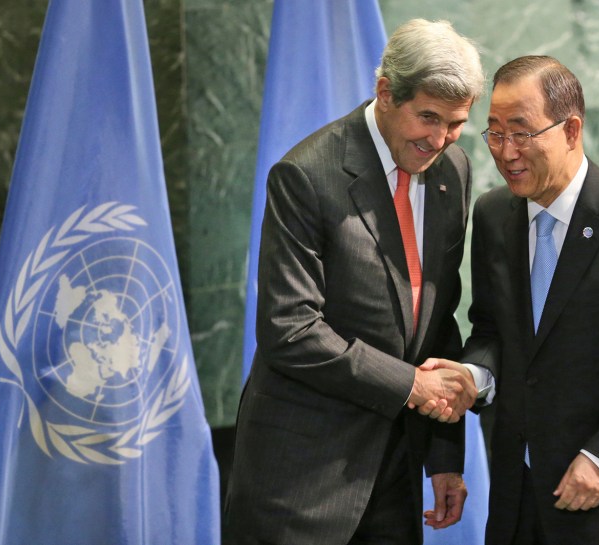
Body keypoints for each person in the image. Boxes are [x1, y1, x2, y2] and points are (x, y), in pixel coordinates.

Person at [225, 19, 487, 545]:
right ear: (386, 93)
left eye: (456, 122)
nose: (440, 139)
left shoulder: (451, 170)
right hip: (301, 481)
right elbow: (291, 328)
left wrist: (443, 456)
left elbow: (436, 322)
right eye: (428, 117)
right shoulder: (306, 175)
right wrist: (413, 385)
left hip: (395, 472)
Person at [422, 55, 599, 544]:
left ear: (571, 129)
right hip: (515, 493)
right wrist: (474, 376)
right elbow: (491, 329)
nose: (506, 152)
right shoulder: (492, 215)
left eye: (522, 133)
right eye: (494, 133)